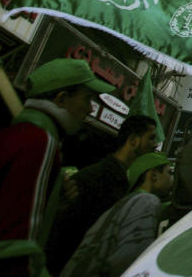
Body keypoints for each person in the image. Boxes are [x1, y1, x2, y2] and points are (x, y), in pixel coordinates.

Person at [0, 58, 114, 277]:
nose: (89, 109)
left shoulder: (19, 135)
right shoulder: (40, 142)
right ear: (61, 99)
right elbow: (16, 246)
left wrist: (52, 199)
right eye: (87, 99)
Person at [46, 114, 158, 274]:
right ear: (134, 141)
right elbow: (67, 232)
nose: (155, 145)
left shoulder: (118, 178)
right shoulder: (100, 177)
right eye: (151, 138)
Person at [60, 152, 173, 277]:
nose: (172, 179)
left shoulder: (126, 202)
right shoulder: (146, 201)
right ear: (153, 176)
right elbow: (132, 257)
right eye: (169, 173)